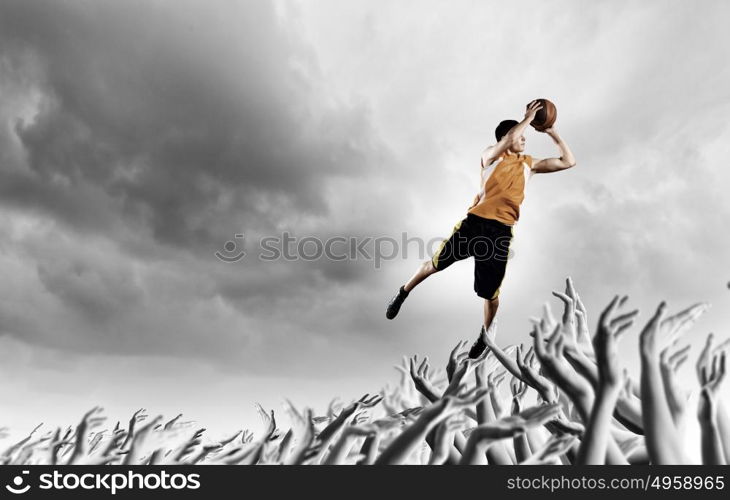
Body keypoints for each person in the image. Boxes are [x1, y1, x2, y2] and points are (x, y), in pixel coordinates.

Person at [385, 100, 577, 358]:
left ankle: (485, 336)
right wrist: (529, 119)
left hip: (500, 233)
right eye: (522, 137)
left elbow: (568, 161)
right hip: (475, 224)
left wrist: (552, 131)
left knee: (491, 294)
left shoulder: (528, 164)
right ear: (508, 137)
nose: (525, 140)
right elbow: (510, 137)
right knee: (435, 264)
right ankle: (402, 293)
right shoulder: (490, 156)